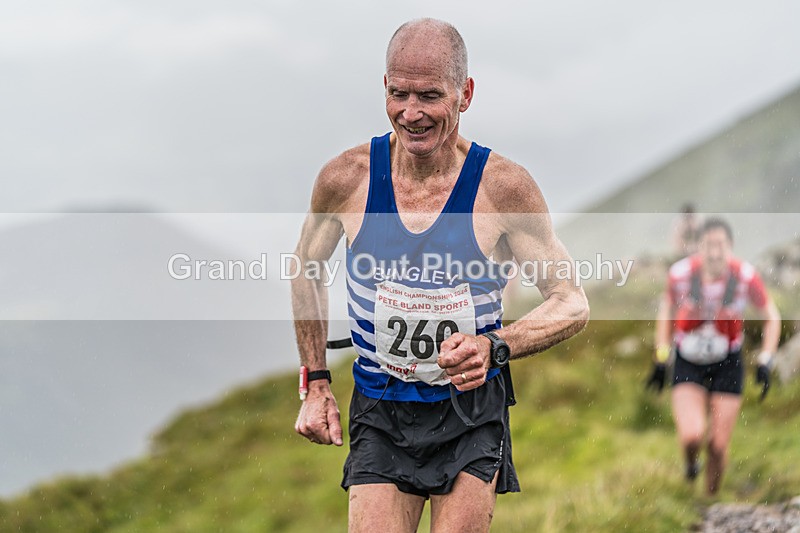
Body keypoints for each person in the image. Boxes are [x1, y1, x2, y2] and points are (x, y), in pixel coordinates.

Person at [292, 18, 589, 531]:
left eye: (429, 95)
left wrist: (495, 346)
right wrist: (316, 382)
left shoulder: (504, 189)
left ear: (465, 94)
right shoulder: (346, 179)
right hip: (380, 405)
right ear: (383, 89)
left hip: (470, 410)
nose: (411, 113)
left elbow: (571, 302)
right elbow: (305, 272)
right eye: (398, 94)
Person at [647, 217, 781, 495]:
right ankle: (691, 464)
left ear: (730, 246)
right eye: (709, 245)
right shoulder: (680, 275)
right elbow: (666, 313)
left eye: (721, 245)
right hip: (688, 360)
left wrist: (766, 359)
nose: (715, 252)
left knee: (718, 445)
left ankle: (711, 500)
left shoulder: (746, 276)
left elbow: (771, 317)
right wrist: (661, 357)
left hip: (728, 361)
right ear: (699, 247)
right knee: (692, 436)